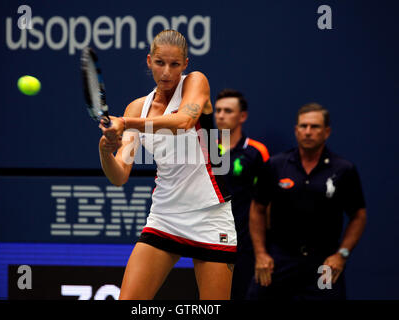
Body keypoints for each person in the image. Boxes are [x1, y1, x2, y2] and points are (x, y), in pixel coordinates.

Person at [98, 30, 237, 300]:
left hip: (210, 215)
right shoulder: (136, 108)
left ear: (185, 64)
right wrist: (105, 150)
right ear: (149, 61)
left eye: (175, 64)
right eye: (160, 63)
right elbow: (119, 175)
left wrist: (126, 124)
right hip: (165, 216)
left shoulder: (196, 83)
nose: (166, 72)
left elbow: (183, 121)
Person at [247, 103, 367, 300]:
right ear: (296, 130)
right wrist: (261, 253)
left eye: (315, 127)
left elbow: (359, 216)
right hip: (279, 260)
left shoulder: (343, 169)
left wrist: (342, 254)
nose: (308, 132)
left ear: (327, 131)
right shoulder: (277, 165)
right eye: (303, 126)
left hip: (324, 263)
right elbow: (257, 208)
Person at [214, 89, 269, 299]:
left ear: (242, 116)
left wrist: (264, 248)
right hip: (212, 241)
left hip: (246, 245)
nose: (220, 115)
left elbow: (266, 203)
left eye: (228, 111)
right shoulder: (205, 150)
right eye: (218, 110)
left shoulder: (256, 152)